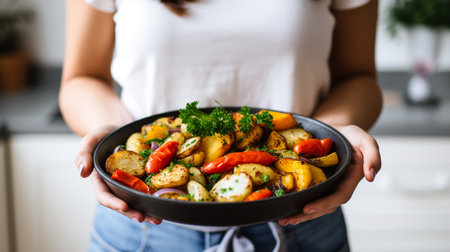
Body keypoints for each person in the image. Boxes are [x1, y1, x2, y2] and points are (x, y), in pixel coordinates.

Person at [59, 0, 382, 251]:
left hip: (305, 219)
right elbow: (81, 78)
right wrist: (114, 132)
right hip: (142, 226)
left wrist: (332, 134)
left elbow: (359, 78)